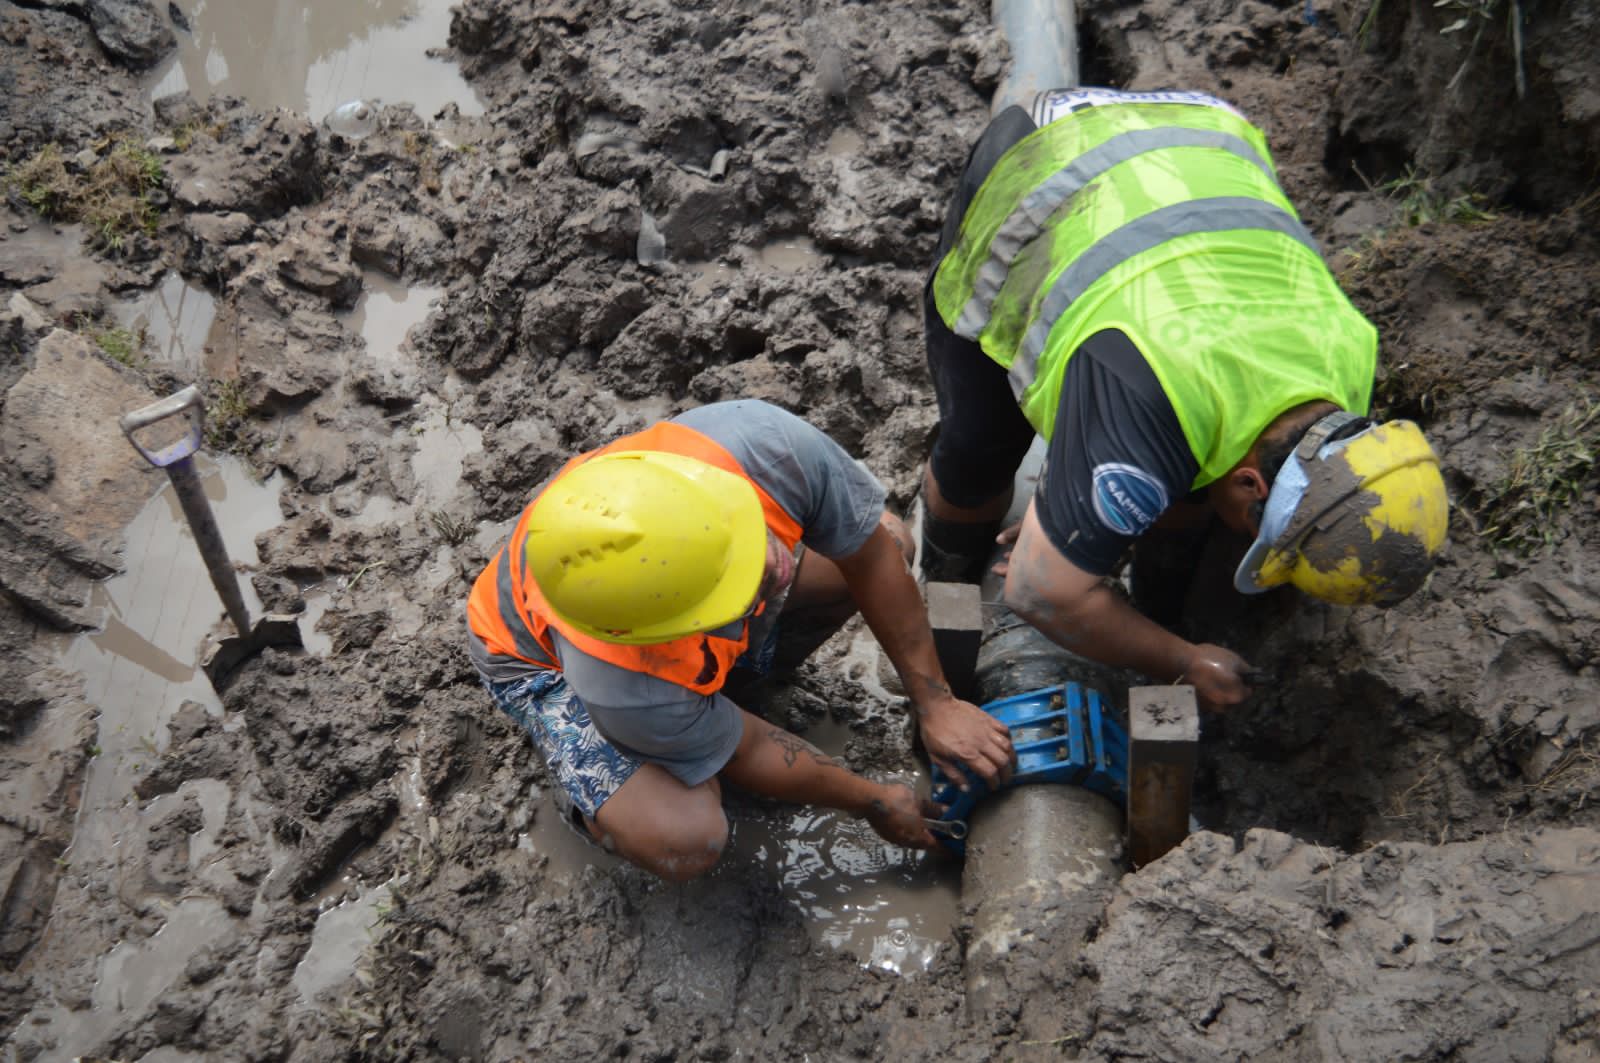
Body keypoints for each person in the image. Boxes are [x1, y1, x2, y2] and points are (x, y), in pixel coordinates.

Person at [919, 86, 1449, 711]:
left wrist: (1078, 521)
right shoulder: (1153, 398)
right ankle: (946, 582)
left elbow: (1186, 462)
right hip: (1046, 162)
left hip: (1206, 130)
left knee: (1187, 467)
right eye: (1254, 527)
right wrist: (1184, 659)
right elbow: (1039, 592)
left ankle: (1148, 594)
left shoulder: (1350, 355)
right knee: (980, 448)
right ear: (1251, 485)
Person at [466, 399, 1014, 881]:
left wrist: (937, 703)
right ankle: (598, 800)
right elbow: (747, 747)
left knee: (889, 539)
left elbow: (870, 556)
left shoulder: (758, 443)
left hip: (653, 626)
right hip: (536, 664)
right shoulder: (622, 686)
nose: (774, 569)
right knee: (685, 837)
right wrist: (872, 801)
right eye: (731, 591)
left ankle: (715, 696)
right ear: (663, 630)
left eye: (745, 544)